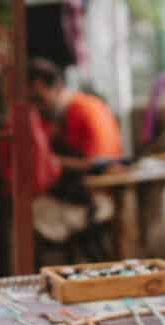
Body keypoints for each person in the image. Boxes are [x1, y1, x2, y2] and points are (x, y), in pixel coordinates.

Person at [26, 57, 124, 249]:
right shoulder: (50, 115)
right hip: (72, 194)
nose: (36, 107)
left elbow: (102, 165)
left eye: (39, 99)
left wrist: (50, 161)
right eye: (31, 101)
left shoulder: (87, 110)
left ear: (58, 87)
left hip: (97, 197)